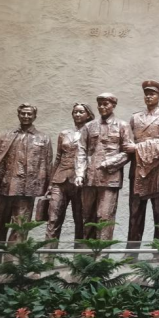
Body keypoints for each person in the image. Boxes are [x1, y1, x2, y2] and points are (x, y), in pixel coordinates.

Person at [0, 104, 53, 244]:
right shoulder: (4, 135)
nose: (26, 116)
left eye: (29, 114)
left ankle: (14, 257)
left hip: (27, 190)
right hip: (4, 188)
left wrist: (48, 188)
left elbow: (47, 165)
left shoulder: (43, 138)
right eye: (23, 113)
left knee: (20, 227)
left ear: (35, 116)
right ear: (18, 115)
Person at [75, 93, 133, 240]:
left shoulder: (123, 126)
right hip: (89, 178)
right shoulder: (89, 126)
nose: (102, 107)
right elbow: (81, 151)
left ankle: (103, 251)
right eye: (99, 104)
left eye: (105, 104)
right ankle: (87, 251)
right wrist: (80, 173)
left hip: (110, 179)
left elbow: (128, 152)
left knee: (105, 216)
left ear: (113, 105)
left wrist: (109, 163)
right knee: (87, 216)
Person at [124, 80, 159, 247]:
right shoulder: (135, 118)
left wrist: (137, 147)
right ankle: (131, 253)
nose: (148, 97)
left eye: (152, 94)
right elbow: (127, 143)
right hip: (138, 170)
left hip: (157, 170)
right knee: (135, 213)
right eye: (146, 94)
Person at [45, 103, 95, 247]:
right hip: (60, 179)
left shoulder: (92, 133)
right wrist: (50, 184)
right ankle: (47, 256)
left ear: (88, 115)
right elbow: (58, 158)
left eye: (81, 112)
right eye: (75, 112)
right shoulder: (64, 133)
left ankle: (80, 257)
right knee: (53, 218)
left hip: (80, 181)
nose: (77, 114)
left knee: (80, 220)